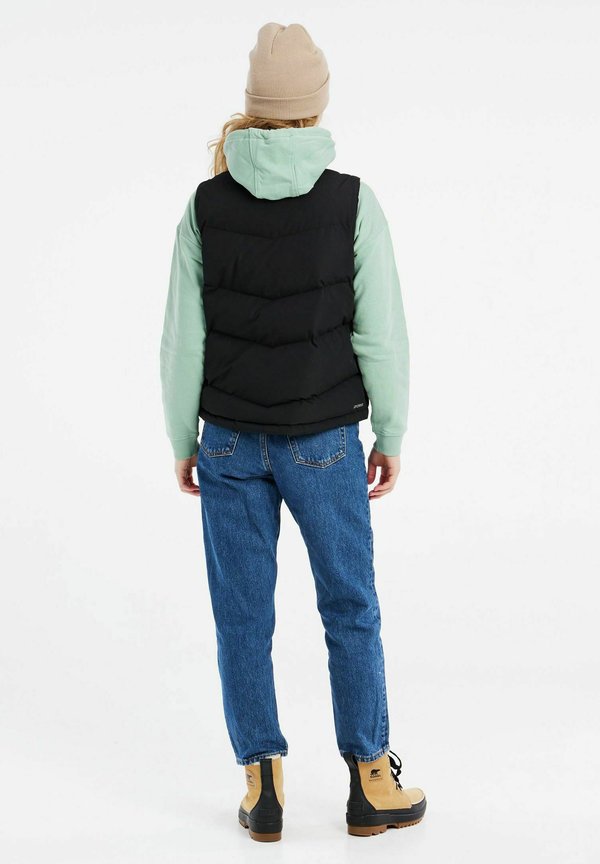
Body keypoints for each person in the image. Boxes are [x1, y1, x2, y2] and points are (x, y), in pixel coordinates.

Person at [160, 21, 426, 842]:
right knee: (350, 607)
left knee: (242, 618)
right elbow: (382, 334)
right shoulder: (353, 202)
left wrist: (182, 439)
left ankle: (262, 784)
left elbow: (183, 341)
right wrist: (391, 433)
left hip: (229, 442)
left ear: (254, 105)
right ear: (315, 105)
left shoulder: (205, 204)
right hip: (324, 440)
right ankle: (371, 780)